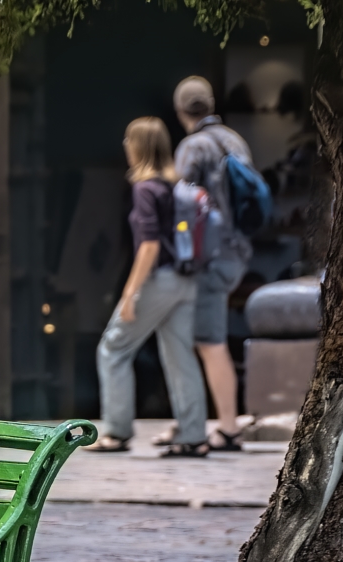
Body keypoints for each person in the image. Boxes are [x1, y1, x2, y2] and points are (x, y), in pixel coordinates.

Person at [88, 117, 209, 457]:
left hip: (160, 280)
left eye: (129, 140)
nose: (125, 145)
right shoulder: (174, 185)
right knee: (179, 353)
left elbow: (150, 246)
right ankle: (193, 434)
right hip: (186, 280)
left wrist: (129, 294)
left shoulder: (144, 189)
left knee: (113, 348)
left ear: (138, 147)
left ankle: (116, 431)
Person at [174, 77, 253, 452]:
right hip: (237, 252)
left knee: (209, 341)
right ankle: (205, 421)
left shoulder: (193, 146)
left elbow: (183, 204)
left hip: (209, 258)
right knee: (205, 338)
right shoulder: (234, 140)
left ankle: (228, 427)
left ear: (180, 111)